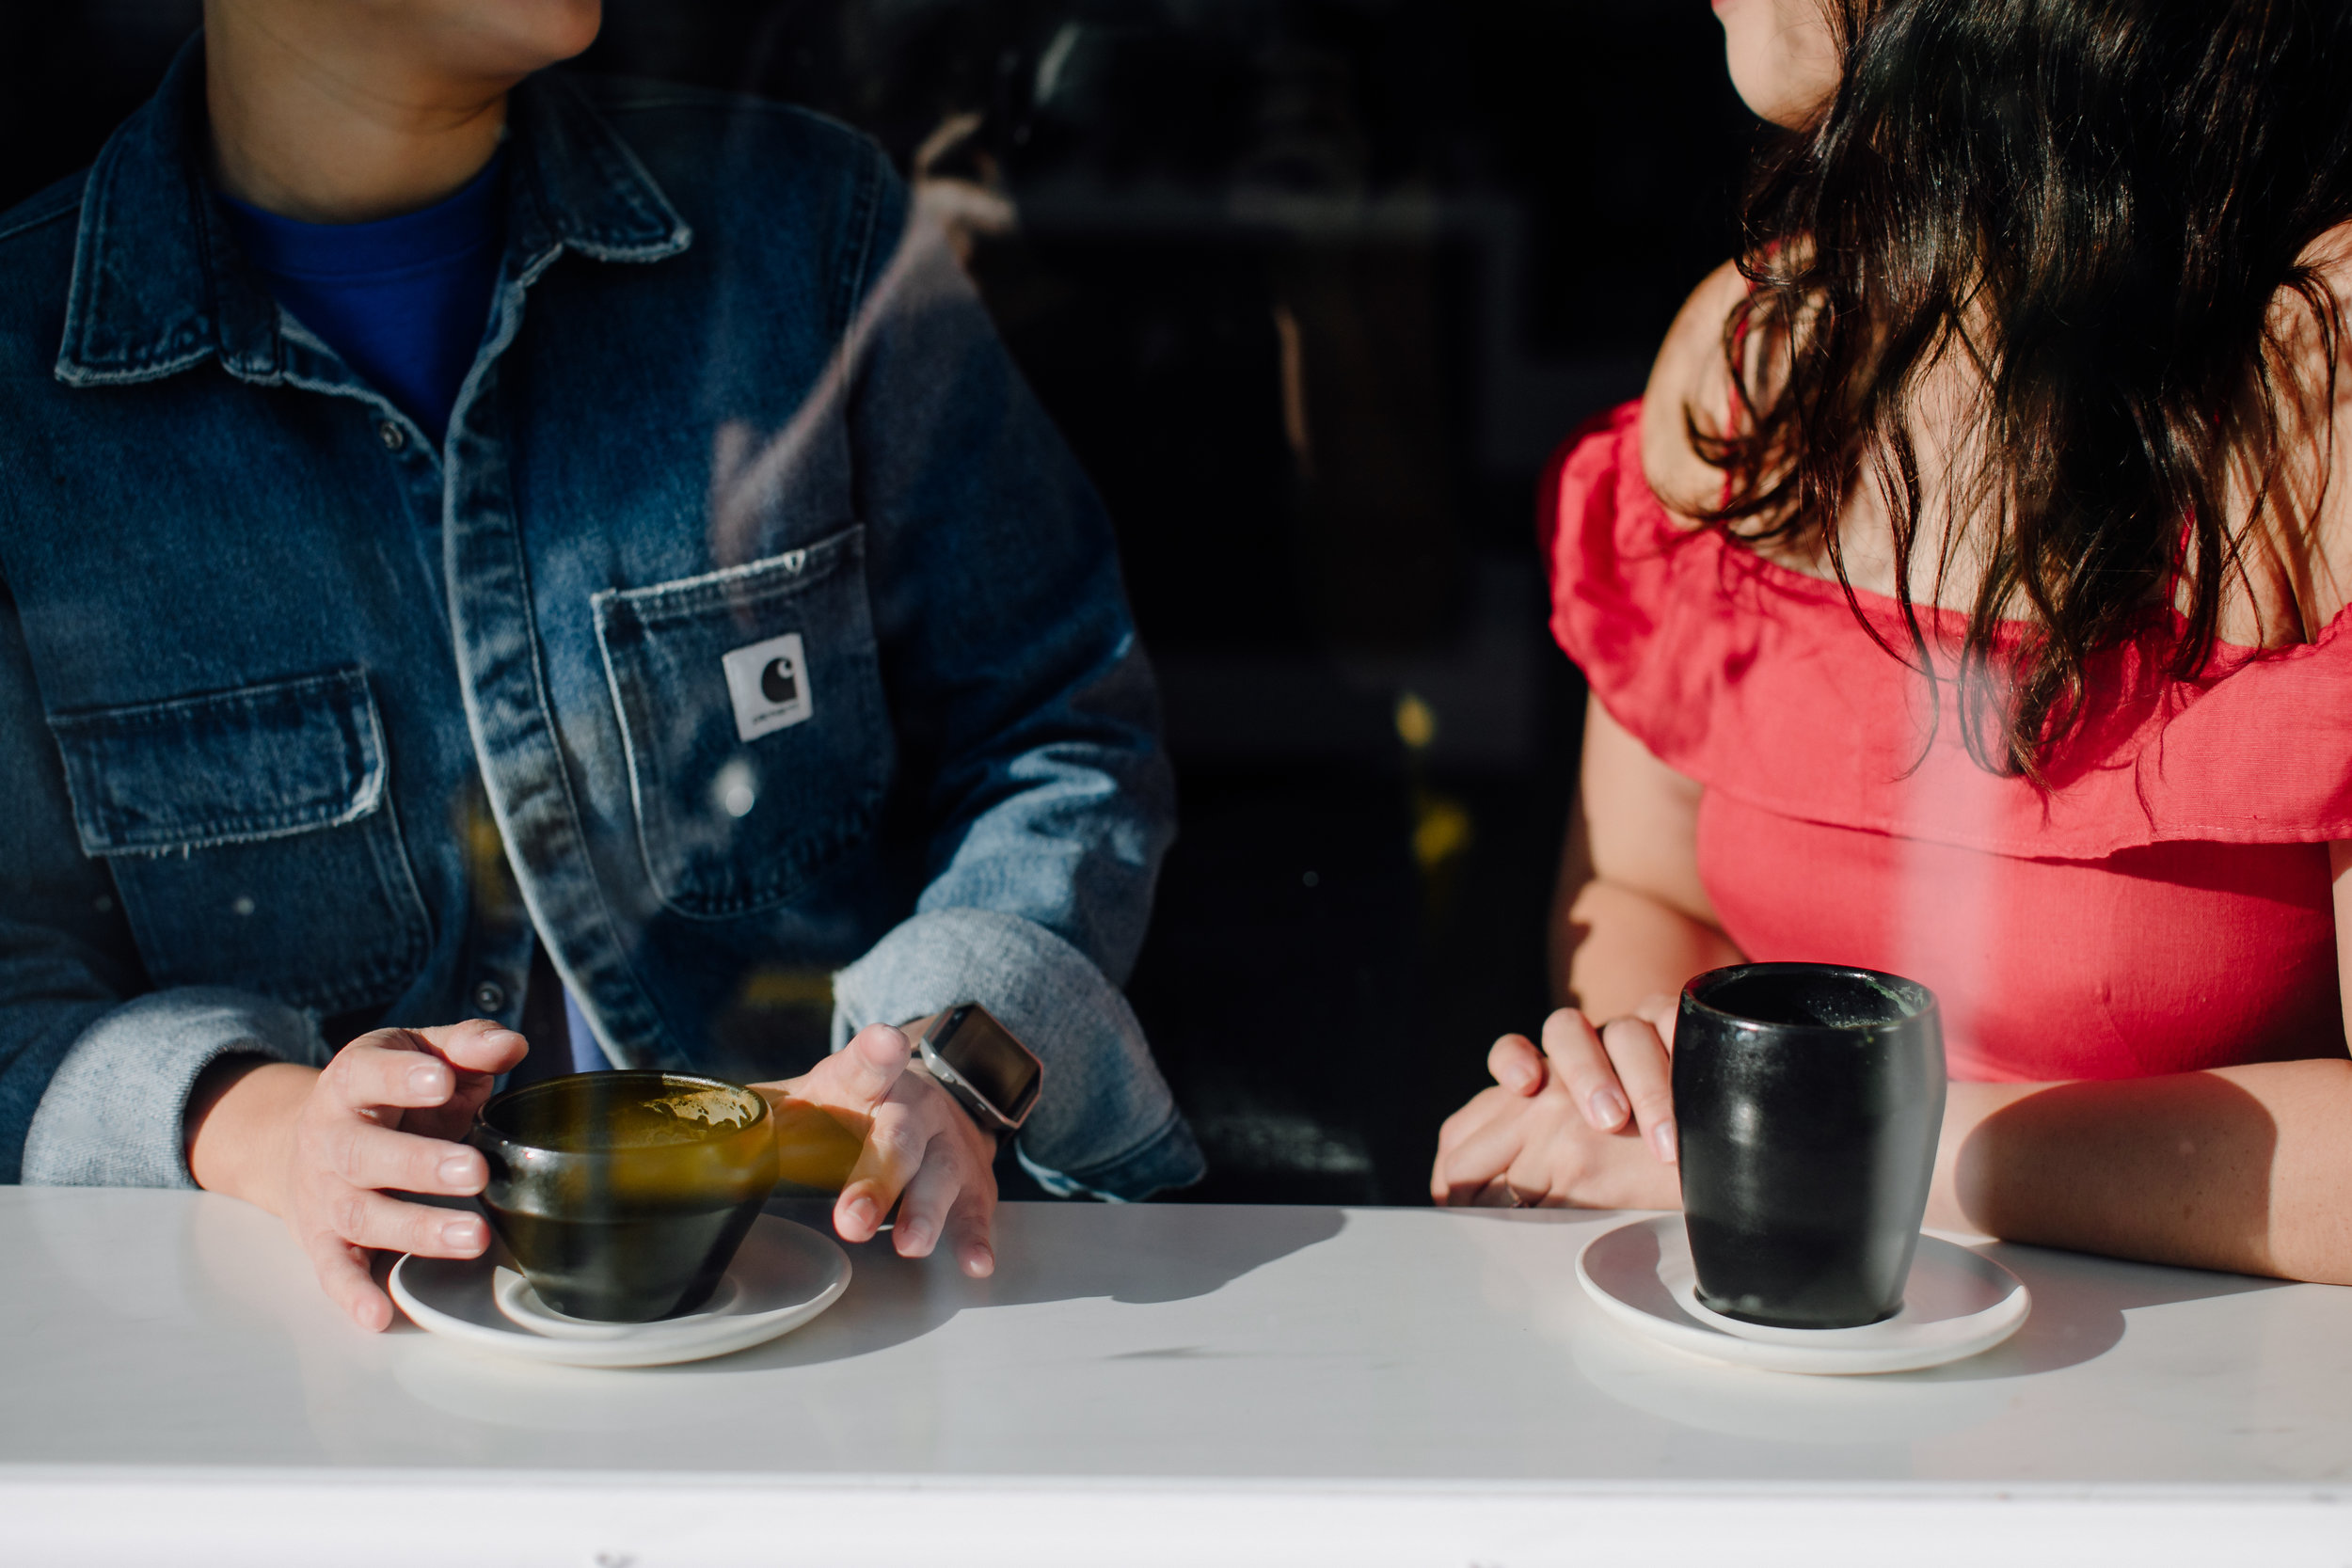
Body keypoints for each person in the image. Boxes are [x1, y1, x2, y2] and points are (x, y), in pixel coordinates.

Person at [0, 0, 1203, 1332]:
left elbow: (1054, 729)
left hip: (866, 1353)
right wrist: (265, 1129)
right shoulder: (17, 377)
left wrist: (946, 1057)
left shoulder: (809, 235)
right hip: (313, 1414)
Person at [1433, 0, 2352, 1283]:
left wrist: (1822, 1150)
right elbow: (1650, 893)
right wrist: (1643, 1085)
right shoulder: (1757, 352)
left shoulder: (2324, 385)